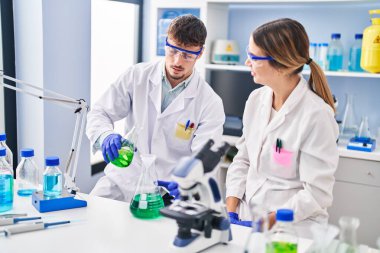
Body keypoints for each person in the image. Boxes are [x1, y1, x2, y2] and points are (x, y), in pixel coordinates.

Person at [86, 14, 225, 202]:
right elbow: (100, 112)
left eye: (187, 55)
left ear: (200, 53)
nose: (177, 61)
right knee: (93, 217)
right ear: (166, 44)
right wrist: (105, 135)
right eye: (173, 50)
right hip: (123, 179)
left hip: (168, 190)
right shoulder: (137, 76)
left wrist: (191, 181)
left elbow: (204, 156)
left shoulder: (209, 102)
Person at [225, 18, 339, 236]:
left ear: (281, 65)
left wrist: (267, 223)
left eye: (253, 57)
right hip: (246, 219)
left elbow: (317, 193)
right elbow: (243, 160)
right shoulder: (256, 100)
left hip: (292, 229)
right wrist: (230, 211)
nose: (247, 63)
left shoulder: (316, 115)